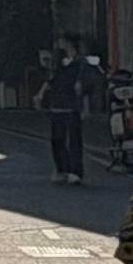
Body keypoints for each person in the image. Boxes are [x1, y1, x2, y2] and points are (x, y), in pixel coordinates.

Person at [40, 40, 88, 183]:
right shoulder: (58, 69)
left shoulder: (77, 67)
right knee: (59, 141)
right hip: (60, 108)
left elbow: (81, 88)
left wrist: (84, 108)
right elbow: (49, 83)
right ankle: (64, 170)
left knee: (70, 141)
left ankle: (72, 172)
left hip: (69, 109)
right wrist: (40, 94)